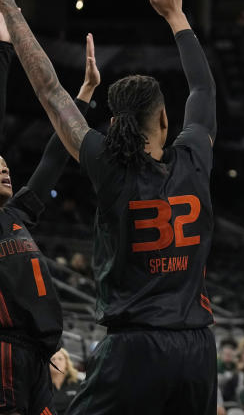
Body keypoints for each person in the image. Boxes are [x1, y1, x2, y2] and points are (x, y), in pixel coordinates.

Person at [0, 0, 218, 414]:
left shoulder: (110, 167)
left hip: (135, 349)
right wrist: (176, 15)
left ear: (117, 123)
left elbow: (51, 92)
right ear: (163, 117)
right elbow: (202, 90)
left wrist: (11, 10)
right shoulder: (196, 155)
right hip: (199, 349)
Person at [0, 22, 99, 415]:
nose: (4, 168)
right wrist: (4, 48)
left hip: (37, 358)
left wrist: (86, 93)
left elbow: (55, 157)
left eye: (5, 164)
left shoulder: (17, 215)